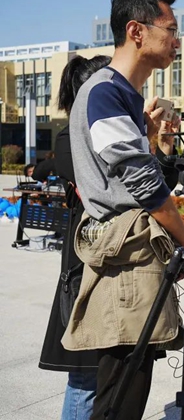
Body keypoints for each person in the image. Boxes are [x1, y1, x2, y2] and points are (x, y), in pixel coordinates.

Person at [63, 0, 184, 420]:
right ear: (137, 31)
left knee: (128, 391)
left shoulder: (124, 95)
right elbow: (146, 189)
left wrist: (158, 143)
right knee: (120, 400)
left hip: (131, 257)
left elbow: (140, 177)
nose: (177, 40)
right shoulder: (107, 91)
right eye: (171, 30)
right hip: (125, 265)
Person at [37, 55, 111, 420]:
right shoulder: (72, 138)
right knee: (85, 376)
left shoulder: (118, 134)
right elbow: (110, 190)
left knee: (113, 373)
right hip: (86, 268)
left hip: (116, 263)